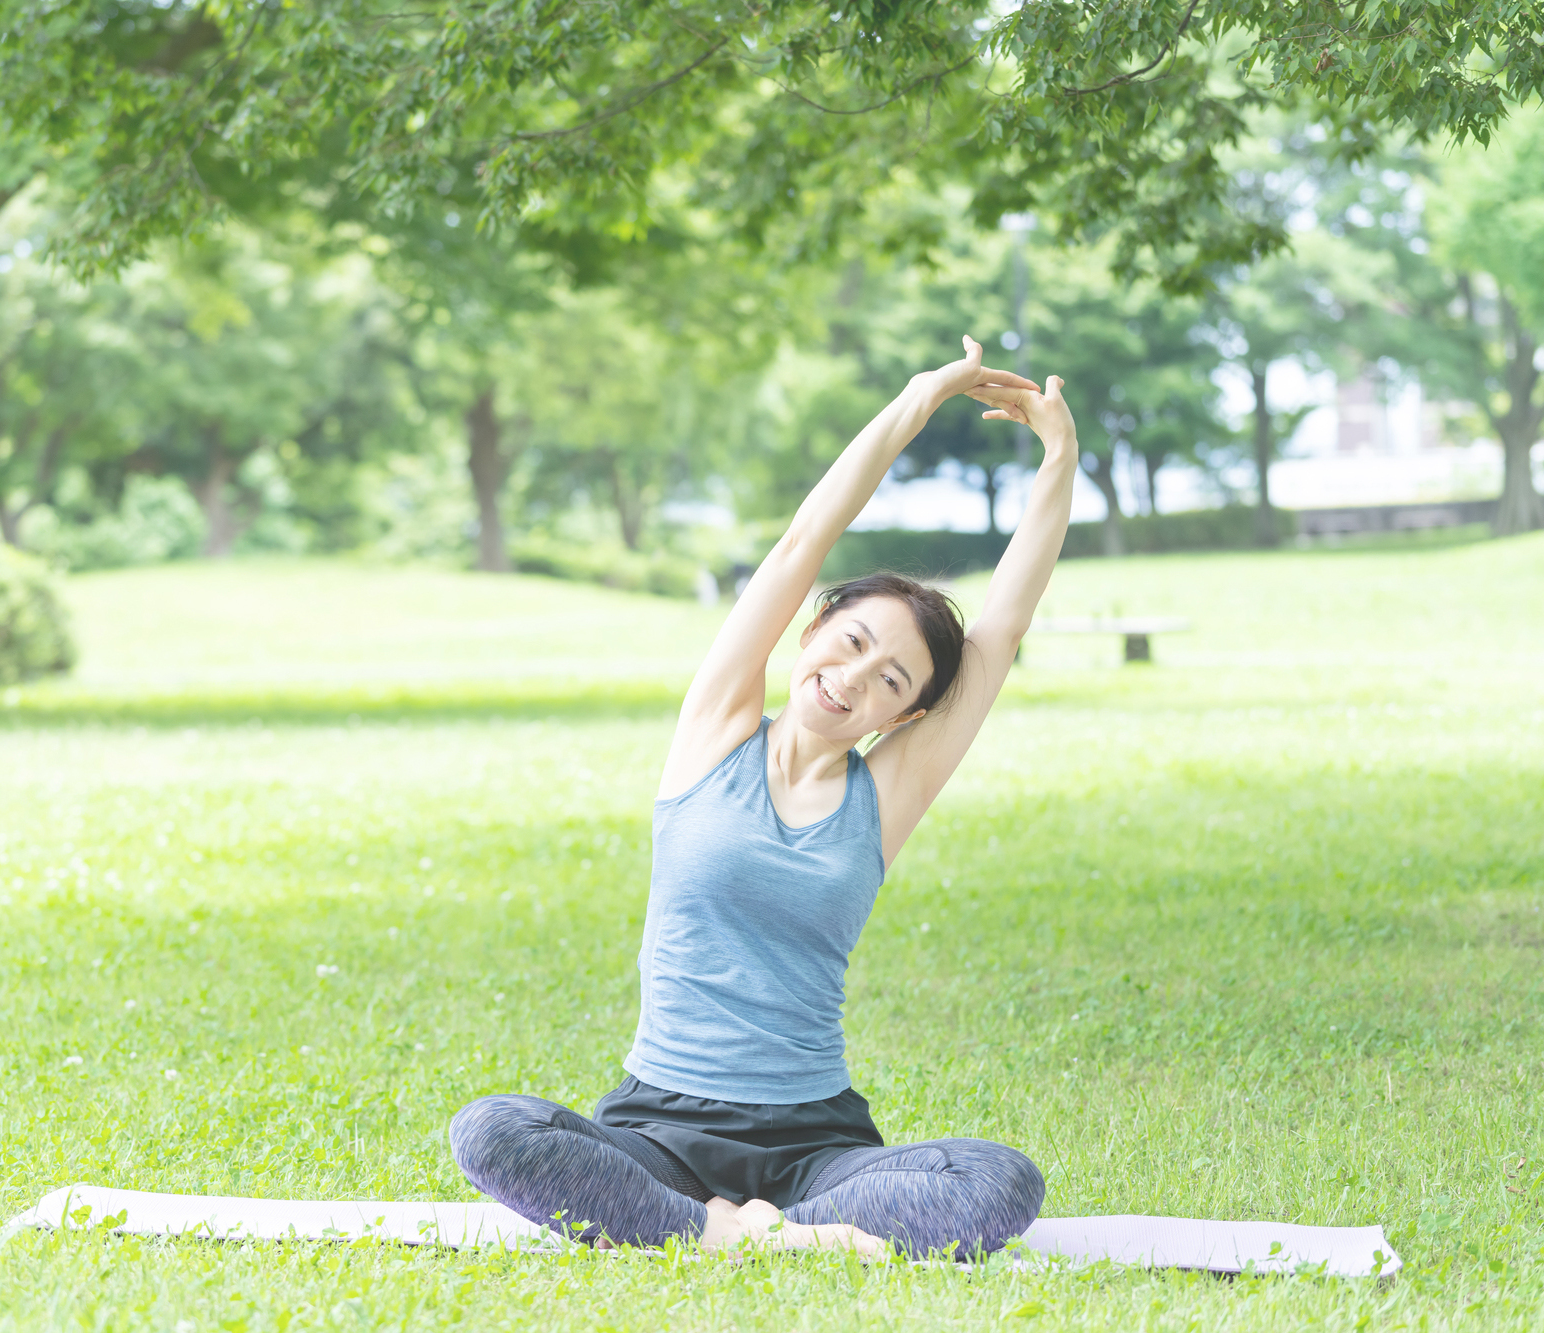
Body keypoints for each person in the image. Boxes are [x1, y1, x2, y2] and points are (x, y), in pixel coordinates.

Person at [448, 337, 1080, 1258]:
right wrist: (914, 400)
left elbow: (1002, 625)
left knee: (999, 1181)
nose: (857, 676)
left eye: (894, 679)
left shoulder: (885, 792)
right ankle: (742, 1233)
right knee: (493, 1128)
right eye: (854, 640)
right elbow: (803, 539)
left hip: (813, 1144)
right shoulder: (714, 734)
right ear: (815, 626)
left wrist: (1059, 459)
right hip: (655, 1128)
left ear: (906, 712)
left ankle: (721, 1233)